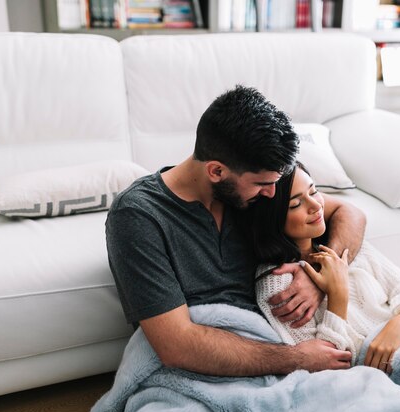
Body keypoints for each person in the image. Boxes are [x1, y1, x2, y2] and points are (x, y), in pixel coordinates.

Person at [105, 85, 366, 376]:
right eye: (261, 184)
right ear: (216, 171)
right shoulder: (138, 216)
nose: (272, 194)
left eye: (275, 183)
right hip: (217, 361)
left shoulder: (257, 182)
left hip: (273, 338)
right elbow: (176, 345)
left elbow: (350, 213)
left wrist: (320, 277)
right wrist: (297, 359)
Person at [250, 162, 400, 374]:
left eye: (314, 191)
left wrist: (399, 323)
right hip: (395, 370)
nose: (315, 205)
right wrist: (337, 295)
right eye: (296, 204)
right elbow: (325, 366)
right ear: (272, 218)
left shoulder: (343, 246)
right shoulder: (278, 283)